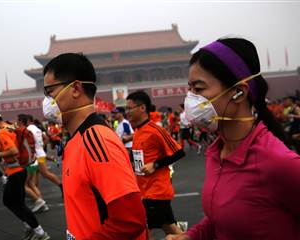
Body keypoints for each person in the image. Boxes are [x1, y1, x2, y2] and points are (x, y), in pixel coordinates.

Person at [165, 38, 300, 240]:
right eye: (190, 89)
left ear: (238, 93)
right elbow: (220, 219)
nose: (190, 99)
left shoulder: (279, 163)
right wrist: (191, 236)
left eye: (199, 89)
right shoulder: (216, 153)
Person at [42, 53, 146, 240]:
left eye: (49, 92)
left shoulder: (97, 140)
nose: (46, 101)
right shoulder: (76, 139)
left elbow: (130, 220)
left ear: (75, 88)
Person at [126, 91, 185, 240]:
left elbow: (179, 153)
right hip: (144, 190)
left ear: (142, 108)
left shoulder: (156, 130)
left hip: (156, 192)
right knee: (171, 229)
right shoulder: (138, 131)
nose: (127, 112)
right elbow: (139, 156)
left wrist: (156, 164)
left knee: (143, 231)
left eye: (129, 108)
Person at [0, 111, 50, 240]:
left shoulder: (2, 132)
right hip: (20, 169)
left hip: (16, 171)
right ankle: (30, 228)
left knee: (13, 202)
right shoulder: (10, 126)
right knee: (15, 202)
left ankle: (40, 232)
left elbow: (13, 151)